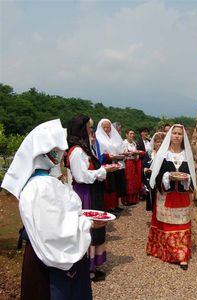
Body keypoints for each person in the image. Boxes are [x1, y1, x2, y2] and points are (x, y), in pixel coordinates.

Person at [1, 119, 99, 299]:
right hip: (51, 266)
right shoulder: (43, 187)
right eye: (59, 150)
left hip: (38, 256)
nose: (62, 154)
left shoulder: (37, 183)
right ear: (47, 154)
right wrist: (87, 224)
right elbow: (57, 235)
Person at [67, 115, 114, 282]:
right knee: (88, 228)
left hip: (91, 190)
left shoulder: (83, 149)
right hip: (85, 193)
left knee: (95, 228)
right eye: (88, 128)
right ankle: (86, 268)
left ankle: (92, 264)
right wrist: (104, 172)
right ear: (82, 130)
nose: (91, 131)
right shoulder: (77, 151)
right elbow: (81, 176)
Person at [146, 124, 196, 270]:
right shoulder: (163, 154)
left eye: (180, 134)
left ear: (183, 137)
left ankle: (182, 256)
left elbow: (192, 175)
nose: (177, 136)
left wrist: (186, 178)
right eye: (174, 133)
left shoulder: (187, 156)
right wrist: (168, 176)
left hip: (181, 197)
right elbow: (155, 176)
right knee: (167, 224)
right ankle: (165, 251)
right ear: (170, 135)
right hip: (166, 195)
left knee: (182, 223)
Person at [95, 118, 126, 212]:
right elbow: (98, 153)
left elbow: (120, 148)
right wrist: (108, 156)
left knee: (116, 185)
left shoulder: (114, 137)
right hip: (106, 164)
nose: (106, 129)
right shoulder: (98, 137)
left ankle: (115, 204)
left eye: (108, 127)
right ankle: (108, 207)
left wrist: (121, 154)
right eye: (104, 127)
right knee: (108, 186)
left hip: (116, 163)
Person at [142, 132, 165, 211]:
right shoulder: (149, 153)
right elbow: (144, 165)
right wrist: (145, 170)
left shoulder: (167, 155)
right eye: (157, 142)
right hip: (151, 180)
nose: (159, 144)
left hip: (162, 182)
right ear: (154, 143)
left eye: (162, 142)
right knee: (153, 201)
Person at [123, 128, 143, 204]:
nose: (132, 135)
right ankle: (127, 200)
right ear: (126, 134)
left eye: (133, 134)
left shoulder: (134, 143)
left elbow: (136, 153)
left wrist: (136, 153)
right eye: (130, 134)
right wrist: (131, 153)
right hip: (127, 162)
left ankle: (133, 199)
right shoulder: (124, 143)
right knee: (128, 181)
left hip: (134, 162)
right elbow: (123, 153)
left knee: (134, 180)